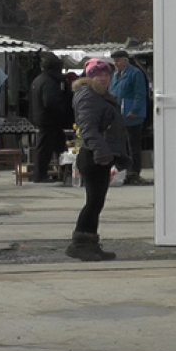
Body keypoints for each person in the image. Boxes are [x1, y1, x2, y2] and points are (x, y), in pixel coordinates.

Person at [66, 59, 130, 261]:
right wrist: (102, 153)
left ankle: (90, 242)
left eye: (106, 74)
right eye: (98, 74)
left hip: (101, 154)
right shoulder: (88, 95)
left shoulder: (100, 95)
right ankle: (80, 244)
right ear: (89, 76)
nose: (103, 78)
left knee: (97, 201)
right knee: (93, 201)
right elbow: (88, 129)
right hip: (93, 156)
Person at [29, 52, 73, 183]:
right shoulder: (49, 82)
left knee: (58, 146)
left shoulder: (39, 79)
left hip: (43, 118)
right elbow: (50, 101)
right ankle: (40, 175)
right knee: (45, 149)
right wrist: (63, 106)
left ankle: (63, 173)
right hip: (49, 120)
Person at [109, 49, 149, 185]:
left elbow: (140, 94)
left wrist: (135, 110)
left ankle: (134, 172)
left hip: (132, 116)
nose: (116, 63)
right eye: (114, 61)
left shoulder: (135, 73)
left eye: (118, 60)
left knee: (133, 145)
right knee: (122, 145)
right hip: (119, 116)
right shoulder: (115, 75)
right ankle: (123, 170)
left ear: (125, 60)